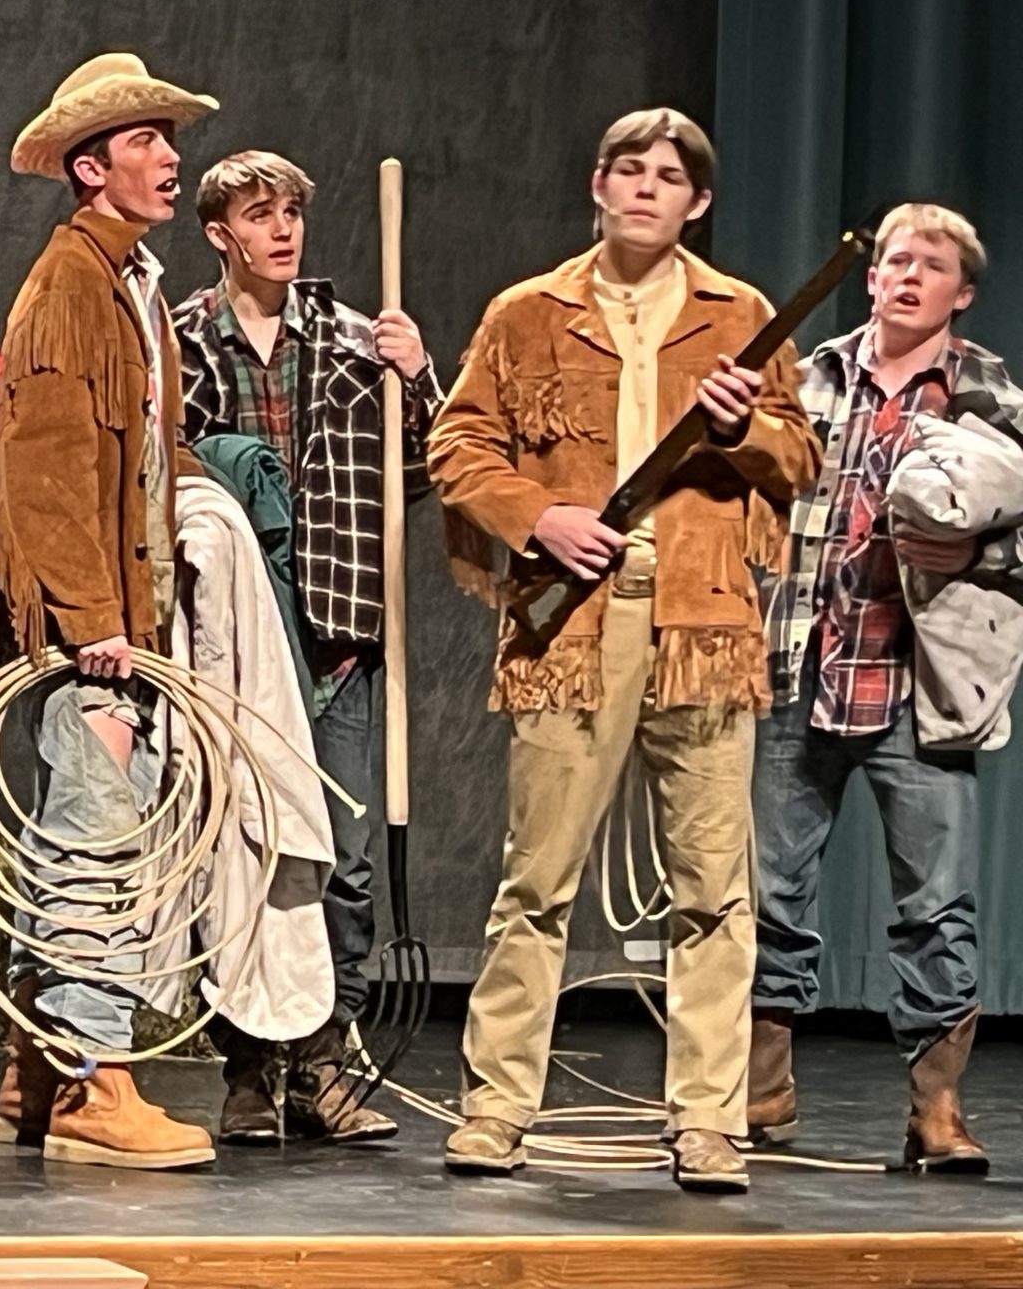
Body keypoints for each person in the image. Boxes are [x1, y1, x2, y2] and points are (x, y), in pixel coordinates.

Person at [426, 107, 821, 1193]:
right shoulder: (528, 312)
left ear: (697, 201)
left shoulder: (737, 314)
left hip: (702, 622)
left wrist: (743, 429)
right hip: (573, 624)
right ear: (598, 185)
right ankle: (496, 1107)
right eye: (628, 169)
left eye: (668, 176)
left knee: (713, 889)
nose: (646, 188)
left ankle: (708, 1120)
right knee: (537, 878)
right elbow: (458, 443)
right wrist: (538, 517)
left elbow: (797, 456)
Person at [171, 149, 442, 1145]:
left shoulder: (355, 339)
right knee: (240, 855)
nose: (282, 230)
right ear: (220, 234)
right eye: (260, 214)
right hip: (236, 641)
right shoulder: (180, 342)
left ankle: (324, 1063)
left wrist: (417, 380)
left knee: (344, 860)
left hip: (335, 636)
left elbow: (426, 469)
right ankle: (247, 1067)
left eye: (291, 211)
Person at [749, 203, 1022, 1173]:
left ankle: (934, 1109)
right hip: (800, 665)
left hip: (919, 684)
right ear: (870, 279)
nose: (907, 276)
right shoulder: (811, 375)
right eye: (895, 261)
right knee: (768, 890)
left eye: (930, 265)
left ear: (962, 292)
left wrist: (978, 548)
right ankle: (761, 1087)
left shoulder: (988, 392)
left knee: (934, 903)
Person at [0, 51, 220, 1171]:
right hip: (98, 634)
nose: (169, 157)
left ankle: (33, 1074)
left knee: (89, 834)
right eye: (143, 141)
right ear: (90, 167)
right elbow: (43, 470)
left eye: (167, 139)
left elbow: (145, 460)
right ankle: (94, 1083)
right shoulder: (72, 287)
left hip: (130, 617)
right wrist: (91, 622)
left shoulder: (133, 283)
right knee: (96, 847)